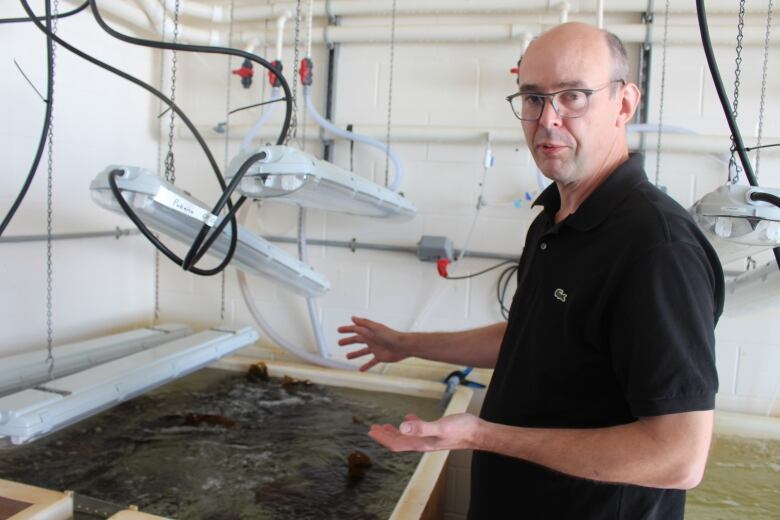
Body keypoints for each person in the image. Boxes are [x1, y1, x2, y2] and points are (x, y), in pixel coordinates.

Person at [338, 22, 724, 519]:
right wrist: (408, 345)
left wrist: (480, 434)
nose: (548, 119)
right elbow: (530, 338)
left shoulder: (656, 247)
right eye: (533, 98)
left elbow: (678, 458)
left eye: (573, 96)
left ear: (624, 104)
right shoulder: (553, 219)